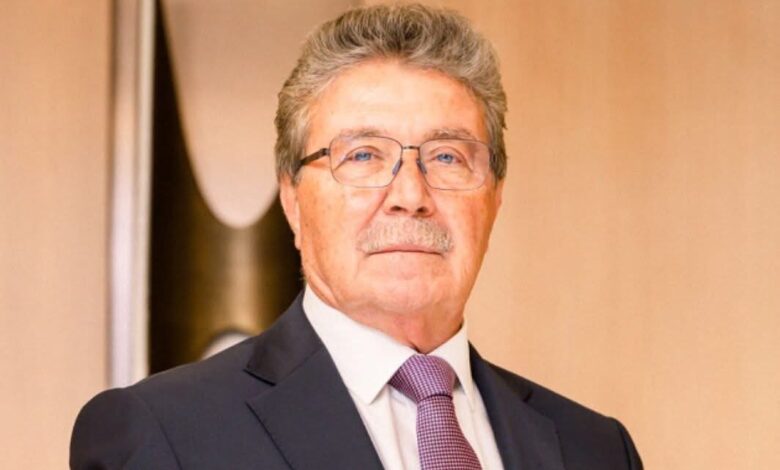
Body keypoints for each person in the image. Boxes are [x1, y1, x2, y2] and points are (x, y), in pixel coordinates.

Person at [71, 4, 643, 469]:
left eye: (447, 156)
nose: (410, 195)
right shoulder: (165, 434)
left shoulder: (595, 450)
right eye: (364, 155)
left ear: (494, 198)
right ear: (293, 200)